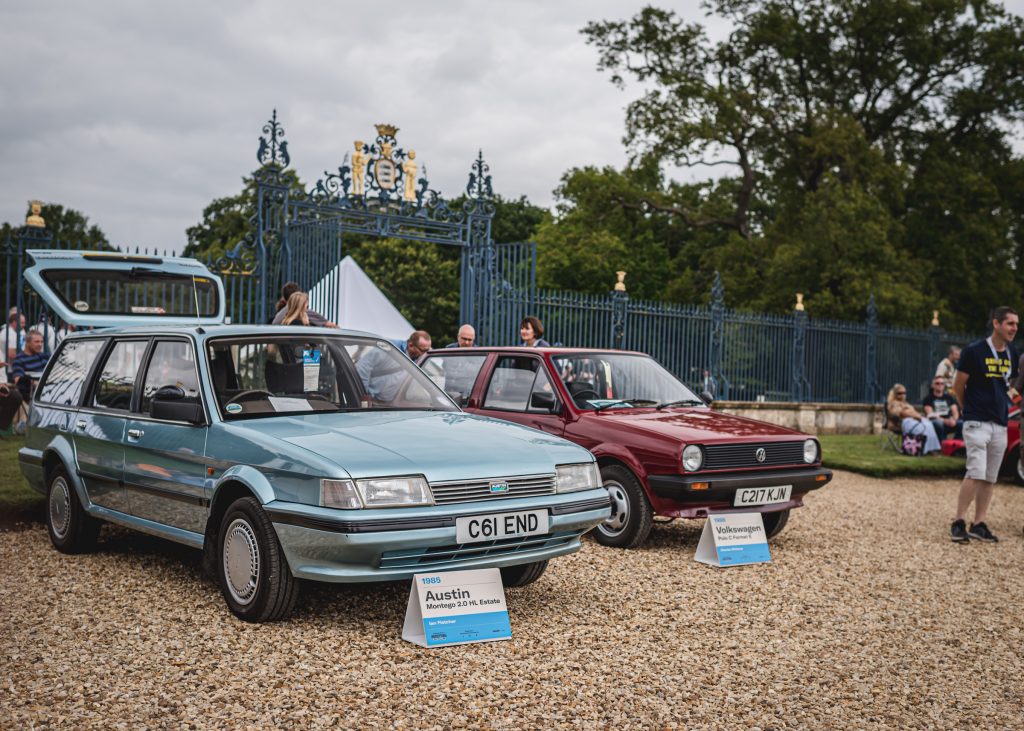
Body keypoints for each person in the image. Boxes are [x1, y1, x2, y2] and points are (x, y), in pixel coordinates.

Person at [950, 306, 1019, 543]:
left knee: (990, 476)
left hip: (1000, 421)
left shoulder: (1012, 352)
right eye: (1010, 323)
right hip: (977, 420)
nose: (1014, 328)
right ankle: (958, 521)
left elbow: (1007, 385)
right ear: (996, 324)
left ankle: (978, 523)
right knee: (976, 470)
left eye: (1017, 324)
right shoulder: (974, 352)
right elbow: (958, 385)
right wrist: (967, 409)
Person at [356, 330, 432, 403]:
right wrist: (364, 394)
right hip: (373, 400)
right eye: (423, 350)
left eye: (427, 350)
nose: (425, 354)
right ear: (411, 345)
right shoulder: (388, 347)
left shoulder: (419, 357)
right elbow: (362, 368)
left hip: (394, 403)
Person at [886, 383, 941, 455]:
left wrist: (919, 416)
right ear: (895, 394)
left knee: (928, 424)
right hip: (902, 422)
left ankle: (932, 448)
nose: (902, 395)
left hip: (914, 420)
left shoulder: (906, 404)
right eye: (900, 393)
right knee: (921, 427)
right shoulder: (893, 403)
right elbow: (902, 413)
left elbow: (912, 413)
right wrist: (916, 416)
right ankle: (923, 448)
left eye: (904, 393)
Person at [270, 282, 337, 327]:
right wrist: (306, 324)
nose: (307, 308)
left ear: (284, 298)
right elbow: (331, 325)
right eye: (306, 305)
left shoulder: (279, 317)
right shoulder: (297, 323)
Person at [12, 329, 49, 403]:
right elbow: (18, 381)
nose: (40, 344)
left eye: (42, 341)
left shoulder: (45, 357)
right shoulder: (19, 359)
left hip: (49, 394)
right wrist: (38, 383)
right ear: (27, 342)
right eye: (36, 342)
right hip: (31, 398)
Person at [923, 375, 961, 441]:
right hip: (937, 421)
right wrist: (945, 421)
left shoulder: (949, 397)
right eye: (937, 383)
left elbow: (955, 411)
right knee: (939, 423)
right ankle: (942, 445)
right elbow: (930, 414)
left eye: (942, 383)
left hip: (950, 420)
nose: (940, 385)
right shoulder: (928, 398)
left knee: (961, 423)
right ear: (933, 385)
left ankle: (955, 445)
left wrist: (954, 420)